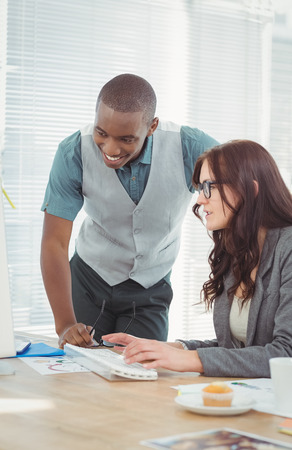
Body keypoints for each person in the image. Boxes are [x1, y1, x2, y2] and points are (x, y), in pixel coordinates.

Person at [40, 73, 218, 349]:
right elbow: (54, 242)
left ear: (152, 126)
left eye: (126, 138)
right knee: (80, 375)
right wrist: (64, 324)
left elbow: (239, 187)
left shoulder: (190, 147)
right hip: (89, 280)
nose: (110, 148)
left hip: (150, 289)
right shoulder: (73, 151)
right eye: (101, 132)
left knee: (141, 375)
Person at [103, 139, 292, 378]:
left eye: (209, 186)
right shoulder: (240, 252)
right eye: (200, 188)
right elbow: (235, 350)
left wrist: (187, 360)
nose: (200, 200)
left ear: (250, 190)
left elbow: (285, 355)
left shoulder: (288, 248)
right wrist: (168, 349)